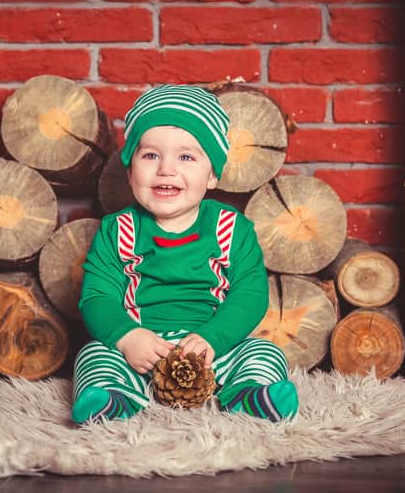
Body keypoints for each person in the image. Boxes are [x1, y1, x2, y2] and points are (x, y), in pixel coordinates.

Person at [72, 84, 299, 424]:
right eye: (150, 155)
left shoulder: (231, 228)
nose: (166, 169)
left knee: (263, 350)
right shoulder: (117, 230)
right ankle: (112, 400)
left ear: (212, 175)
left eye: (186, 157)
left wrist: (214, 337)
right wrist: (127, 336)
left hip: (212, 350)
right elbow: (97, 296)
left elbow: (250, 294)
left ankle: (250, 394)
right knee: (93, 354)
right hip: (142, 352)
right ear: (130, 170)